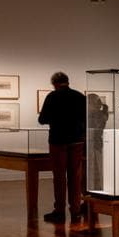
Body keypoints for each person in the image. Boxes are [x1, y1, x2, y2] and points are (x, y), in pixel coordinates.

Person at [38, 71, 87, 224]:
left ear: (54, 83)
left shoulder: (52, 97)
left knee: (59, 177)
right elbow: (87, 119)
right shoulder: (79, 96)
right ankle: (76, 210)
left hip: (58, 141)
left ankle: (59, 211)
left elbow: (42, 119)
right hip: (77, 141)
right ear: (67, 81)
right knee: (75, 176)